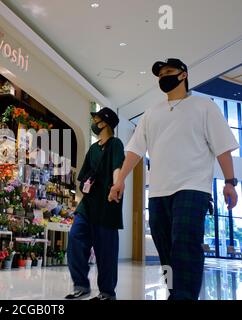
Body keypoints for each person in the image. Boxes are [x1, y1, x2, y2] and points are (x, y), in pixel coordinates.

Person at [109, 58, 239, 300]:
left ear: (183, 75)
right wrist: (120, 180)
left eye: (168, 72)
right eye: (160, 75)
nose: (163, 77)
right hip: (158, 191)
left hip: (193, 188)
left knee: (185, 242)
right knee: (165, 248)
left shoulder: (205, 106)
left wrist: (230, 182)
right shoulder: (151, 113)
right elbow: (135, 150)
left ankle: (184, 296)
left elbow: (223, 147)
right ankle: (173, 292)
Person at [65, 107, 125, 300]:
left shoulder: (116, 144)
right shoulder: (92, 149)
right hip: (88, 205)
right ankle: (81, 285)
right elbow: (83, 177)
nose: (94, 124)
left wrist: (117, 185)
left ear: (105, 123)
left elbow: (118, 167)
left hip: (107, 204)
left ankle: (107, 292)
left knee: (106, 251)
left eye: (97, 120)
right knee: (75, 238)